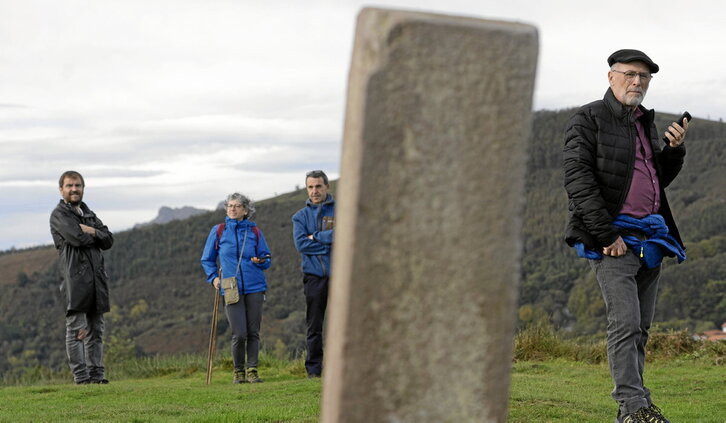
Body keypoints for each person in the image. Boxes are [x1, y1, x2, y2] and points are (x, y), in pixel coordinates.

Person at [563, 49, 689, 423]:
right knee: (626, 323)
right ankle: (634, 409)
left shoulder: (641, 122)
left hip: (650, 237)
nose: (638, 82)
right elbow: (577, 180)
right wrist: (606, 235)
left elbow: (654, 180)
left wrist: (673, 151)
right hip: (613, 241)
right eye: (631, 75)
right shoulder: (587, 119)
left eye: (645, 77)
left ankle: (634, 408)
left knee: (641, 327)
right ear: (611, 77)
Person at [50, 170, 114, 385]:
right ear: (61, 190)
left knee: (96, 331)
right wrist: (95, 234)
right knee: (77, 330)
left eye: (77, 185)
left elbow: (108, 240)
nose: (74, 189)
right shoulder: (59, 215)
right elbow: (77, 239)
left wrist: (94, 232)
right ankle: (81, 377)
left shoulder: (88, 214)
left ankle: (97, 376)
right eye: (69, 186)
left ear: (83, 188)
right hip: (75, 280)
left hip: (97, 280)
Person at [200, 193, 272, 384]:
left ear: (246, 210)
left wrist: (261, 260)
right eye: (230, 206)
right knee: (239, 333)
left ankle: (252, 370)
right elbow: (207, 259)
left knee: (253, 332)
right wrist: (213, 278)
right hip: (230, 287)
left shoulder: (255, 231)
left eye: (237, 206)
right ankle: (238, 371)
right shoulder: (219, 231)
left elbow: (267, 258)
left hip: (255, 286)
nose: (232, 209)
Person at [292, 170, 335, 378]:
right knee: (314, 326)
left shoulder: (341, 211)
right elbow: (301, 244)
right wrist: (329, 244)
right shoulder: (299, 217)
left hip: (340, 277)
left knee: (342, 323)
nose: (315, 191)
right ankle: (314, 370)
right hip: (313, 278)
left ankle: (341, 367)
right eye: (310, 187)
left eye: (318, 186)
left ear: (327, 187)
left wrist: (316, 236)